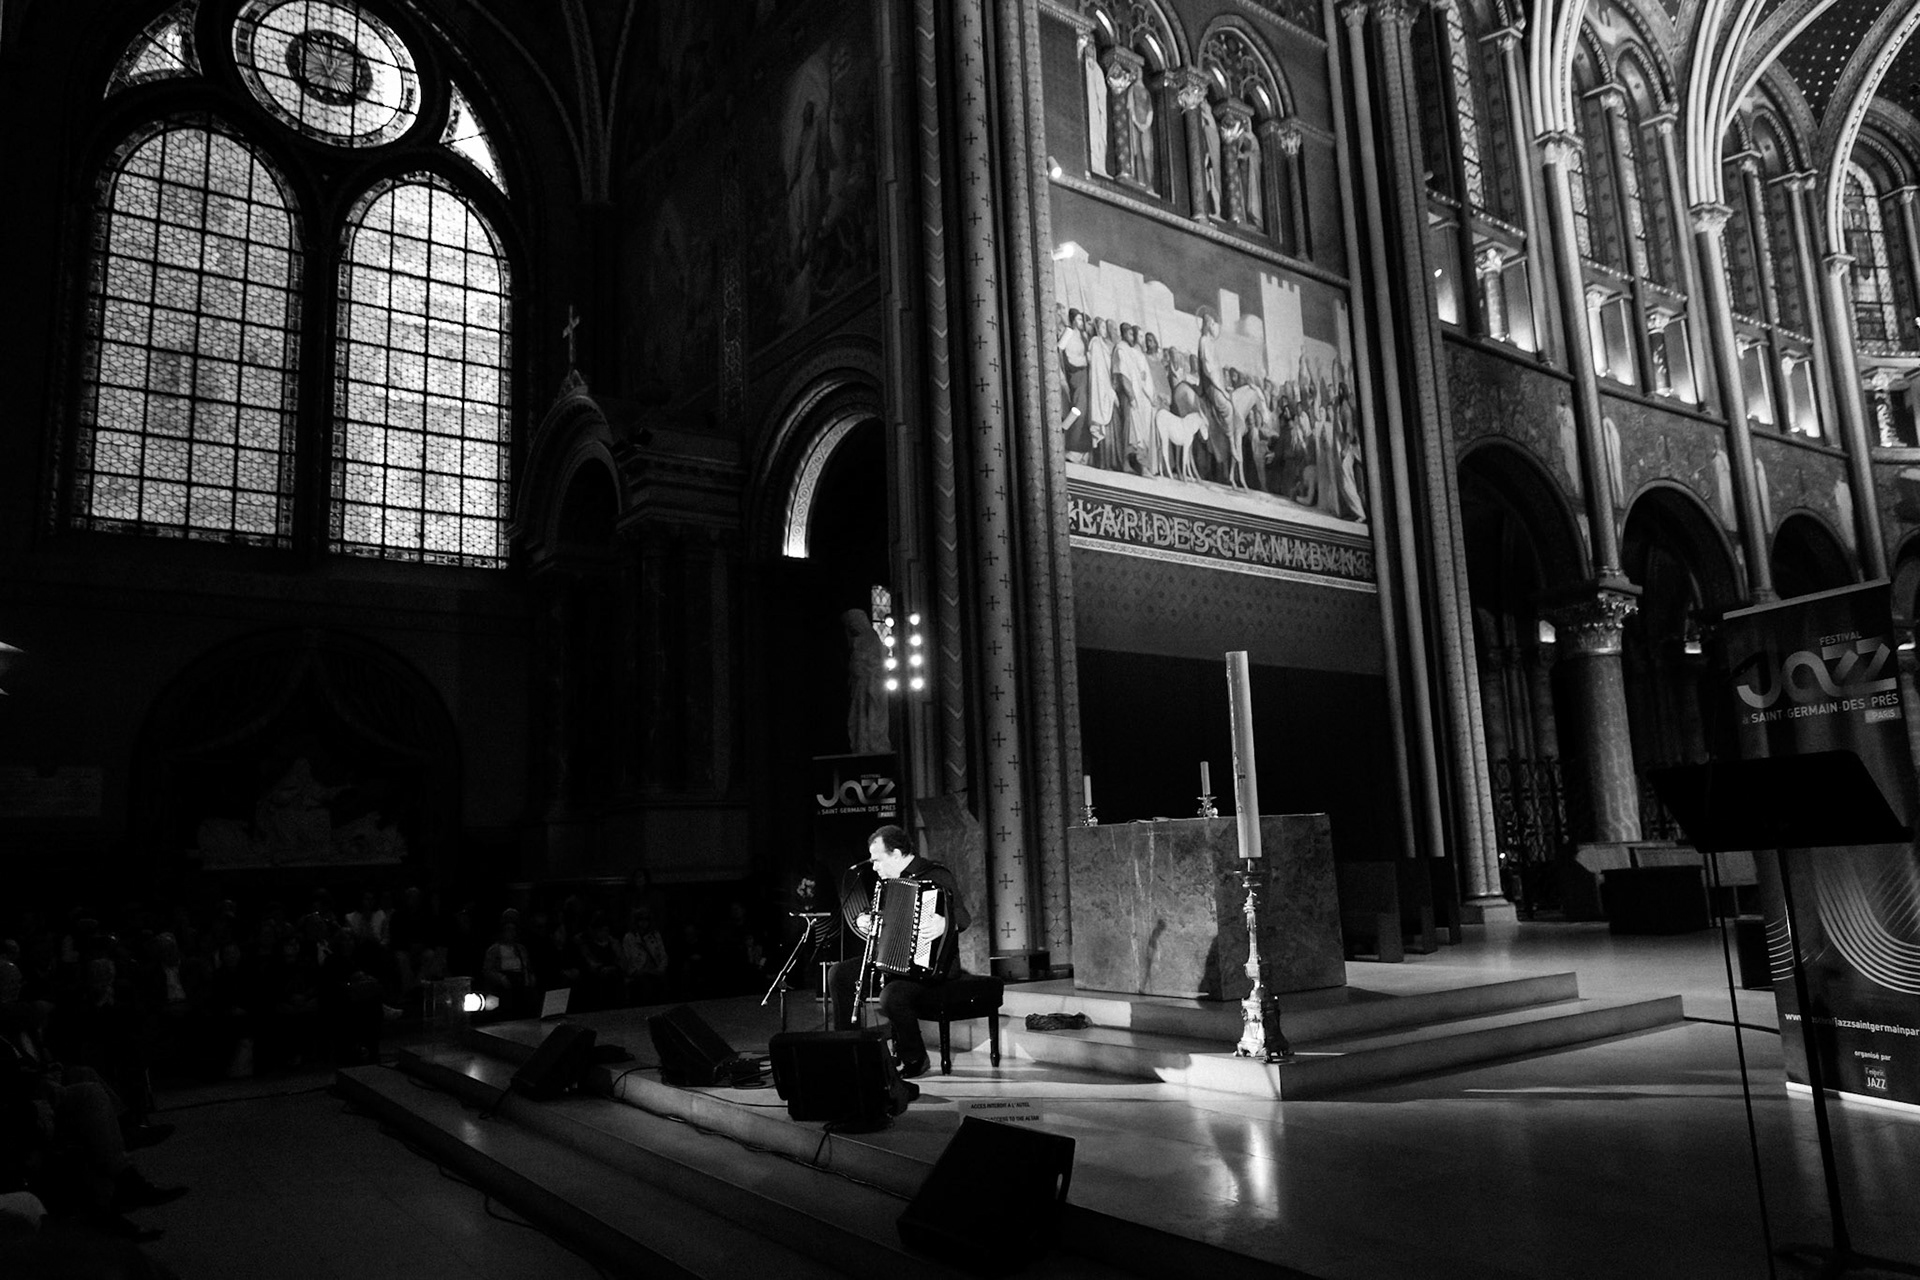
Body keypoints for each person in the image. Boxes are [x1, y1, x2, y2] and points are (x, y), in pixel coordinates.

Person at [827, 825, 968, 1080]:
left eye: (877, 860)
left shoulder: (935, 874)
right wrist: (864, 920)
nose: (874, 867)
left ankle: (915, 1057)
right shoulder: (886, 884)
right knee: (840, 974)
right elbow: (875, 914)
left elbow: (964, 917)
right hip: (891, 960)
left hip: (933, 966)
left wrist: (944, 924)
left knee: (892, 995)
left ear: (897, 854)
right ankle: (849, 1047)